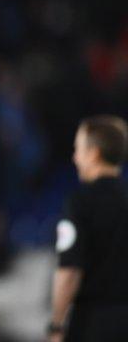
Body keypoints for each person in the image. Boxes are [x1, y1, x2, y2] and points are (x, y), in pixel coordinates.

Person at [49, 115, 128, 342]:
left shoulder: (80, 203)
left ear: (94, 154)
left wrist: (56, 325)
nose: (75, 158)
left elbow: (69, 271)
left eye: (78, 149)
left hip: (92, 323)